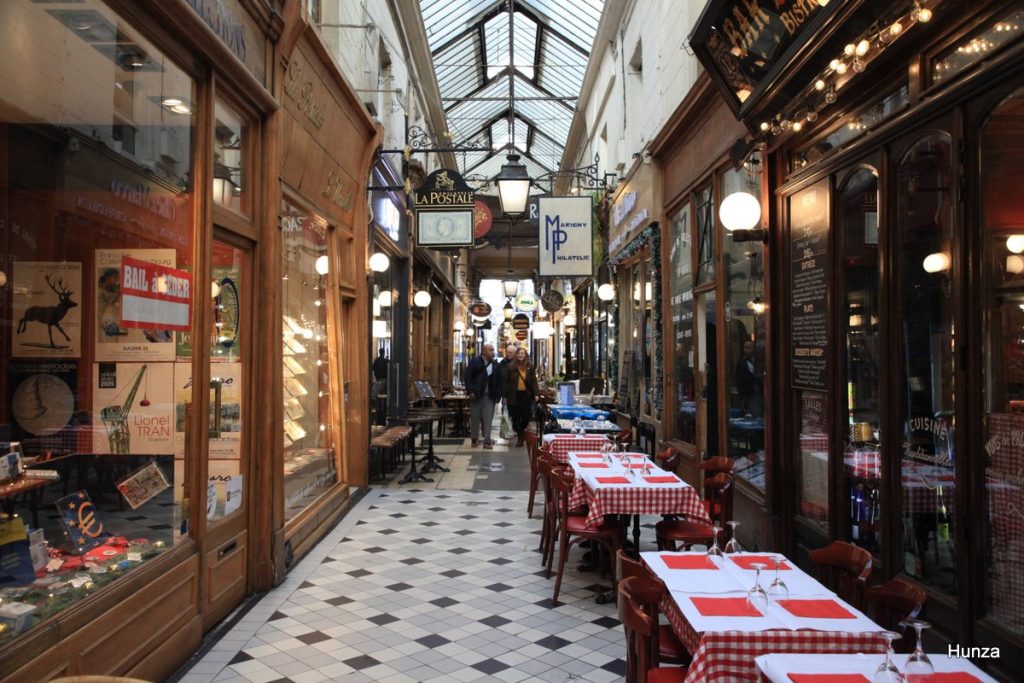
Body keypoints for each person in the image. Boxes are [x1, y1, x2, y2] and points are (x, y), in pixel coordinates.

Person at [464, 343, 502, 449]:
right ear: (484, 351)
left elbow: (499, 380)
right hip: (476, 395)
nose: (492, 352)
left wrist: (498, 395)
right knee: (475, 417)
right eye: (490, 350)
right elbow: (468, 377)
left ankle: (487, 440)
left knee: (488, 418)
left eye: (493, 350)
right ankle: (474, 438)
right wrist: (470, 391)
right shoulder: (474, 362)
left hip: (489, 396)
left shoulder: (495, 364)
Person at [505, 347, 539, 447]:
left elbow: (533, 381)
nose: (520, 355)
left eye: (522, 353)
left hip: (526, 395)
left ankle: (522, 431)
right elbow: (506, 381)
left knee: (526, 416)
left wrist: (536, 394)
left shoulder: (530, 366)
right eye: (519, 353)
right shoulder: (511, 366)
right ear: (516, 355)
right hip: (514, 395)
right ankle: (520, 437)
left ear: (525, 355)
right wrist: (505, 395)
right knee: (515, 417)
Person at [734, 339, 761, 416]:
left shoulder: (760, 361)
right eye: (744, 347)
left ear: (753, 349)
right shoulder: (741, 363)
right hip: (748, 394)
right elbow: (738, 380)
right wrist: (742, 395)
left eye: (748, 348)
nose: (745, 350)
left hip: (760, 391)